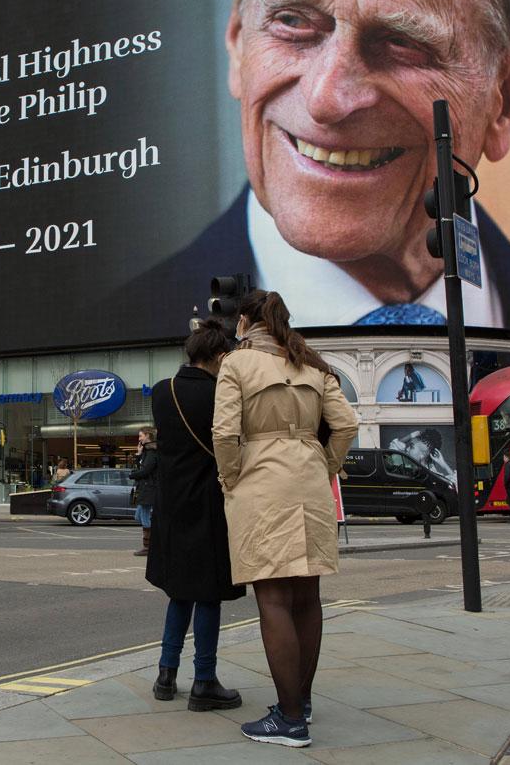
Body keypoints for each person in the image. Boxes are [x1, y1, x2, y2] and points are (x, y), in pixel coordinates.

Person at [131, 0, 510, 339]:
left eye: (402, 42)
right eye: (293, 21)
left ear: (504, 99)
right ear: (238, 39)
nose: (326, 99)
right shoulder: (135, 315)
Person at [213, 289, 357, 747]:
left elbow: (224, 431)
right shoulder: (312, 363)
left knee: (272, 597)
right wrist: (327, 465)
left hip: (262, 479)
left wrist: (231, 477)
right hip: (310, 480)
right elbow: (347, 424)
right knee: (307, 596)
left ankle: (289, 719)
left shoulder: (237, 363)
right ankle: (302, 702)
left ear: (245, 321)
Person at [146, 319, 245, 712]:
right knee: (208, 596)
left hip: (171, 507)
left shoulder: (160, 392)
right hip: (209, 504)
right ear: (219, 356)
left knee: (179, 593)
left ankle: (165, 675)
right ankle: (204, 680)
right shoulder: (223, 394)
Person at [388, 428, 454, 488]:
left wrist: (444, 465)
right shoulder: (404, 466)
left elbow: (455, 486)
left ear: (422, 455)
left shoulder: (433, 476)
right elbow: (393, 449)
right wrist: (411, 435)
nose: (407, 448)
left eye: (411, 447)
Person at [129, 427, 159, 556]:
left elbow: (146, 470)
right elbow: (141, 466)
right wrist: (139, 454)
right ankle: (153, 543)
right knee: (139, 516)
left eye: (141, 436)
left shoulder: (152, 452)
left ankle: (148, 547)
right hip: (145, 488)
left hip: (149, 489)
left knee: (145, 516)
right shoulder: (146, 451)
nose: (139, 438)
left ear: (147, 436)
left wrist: (133, 475)